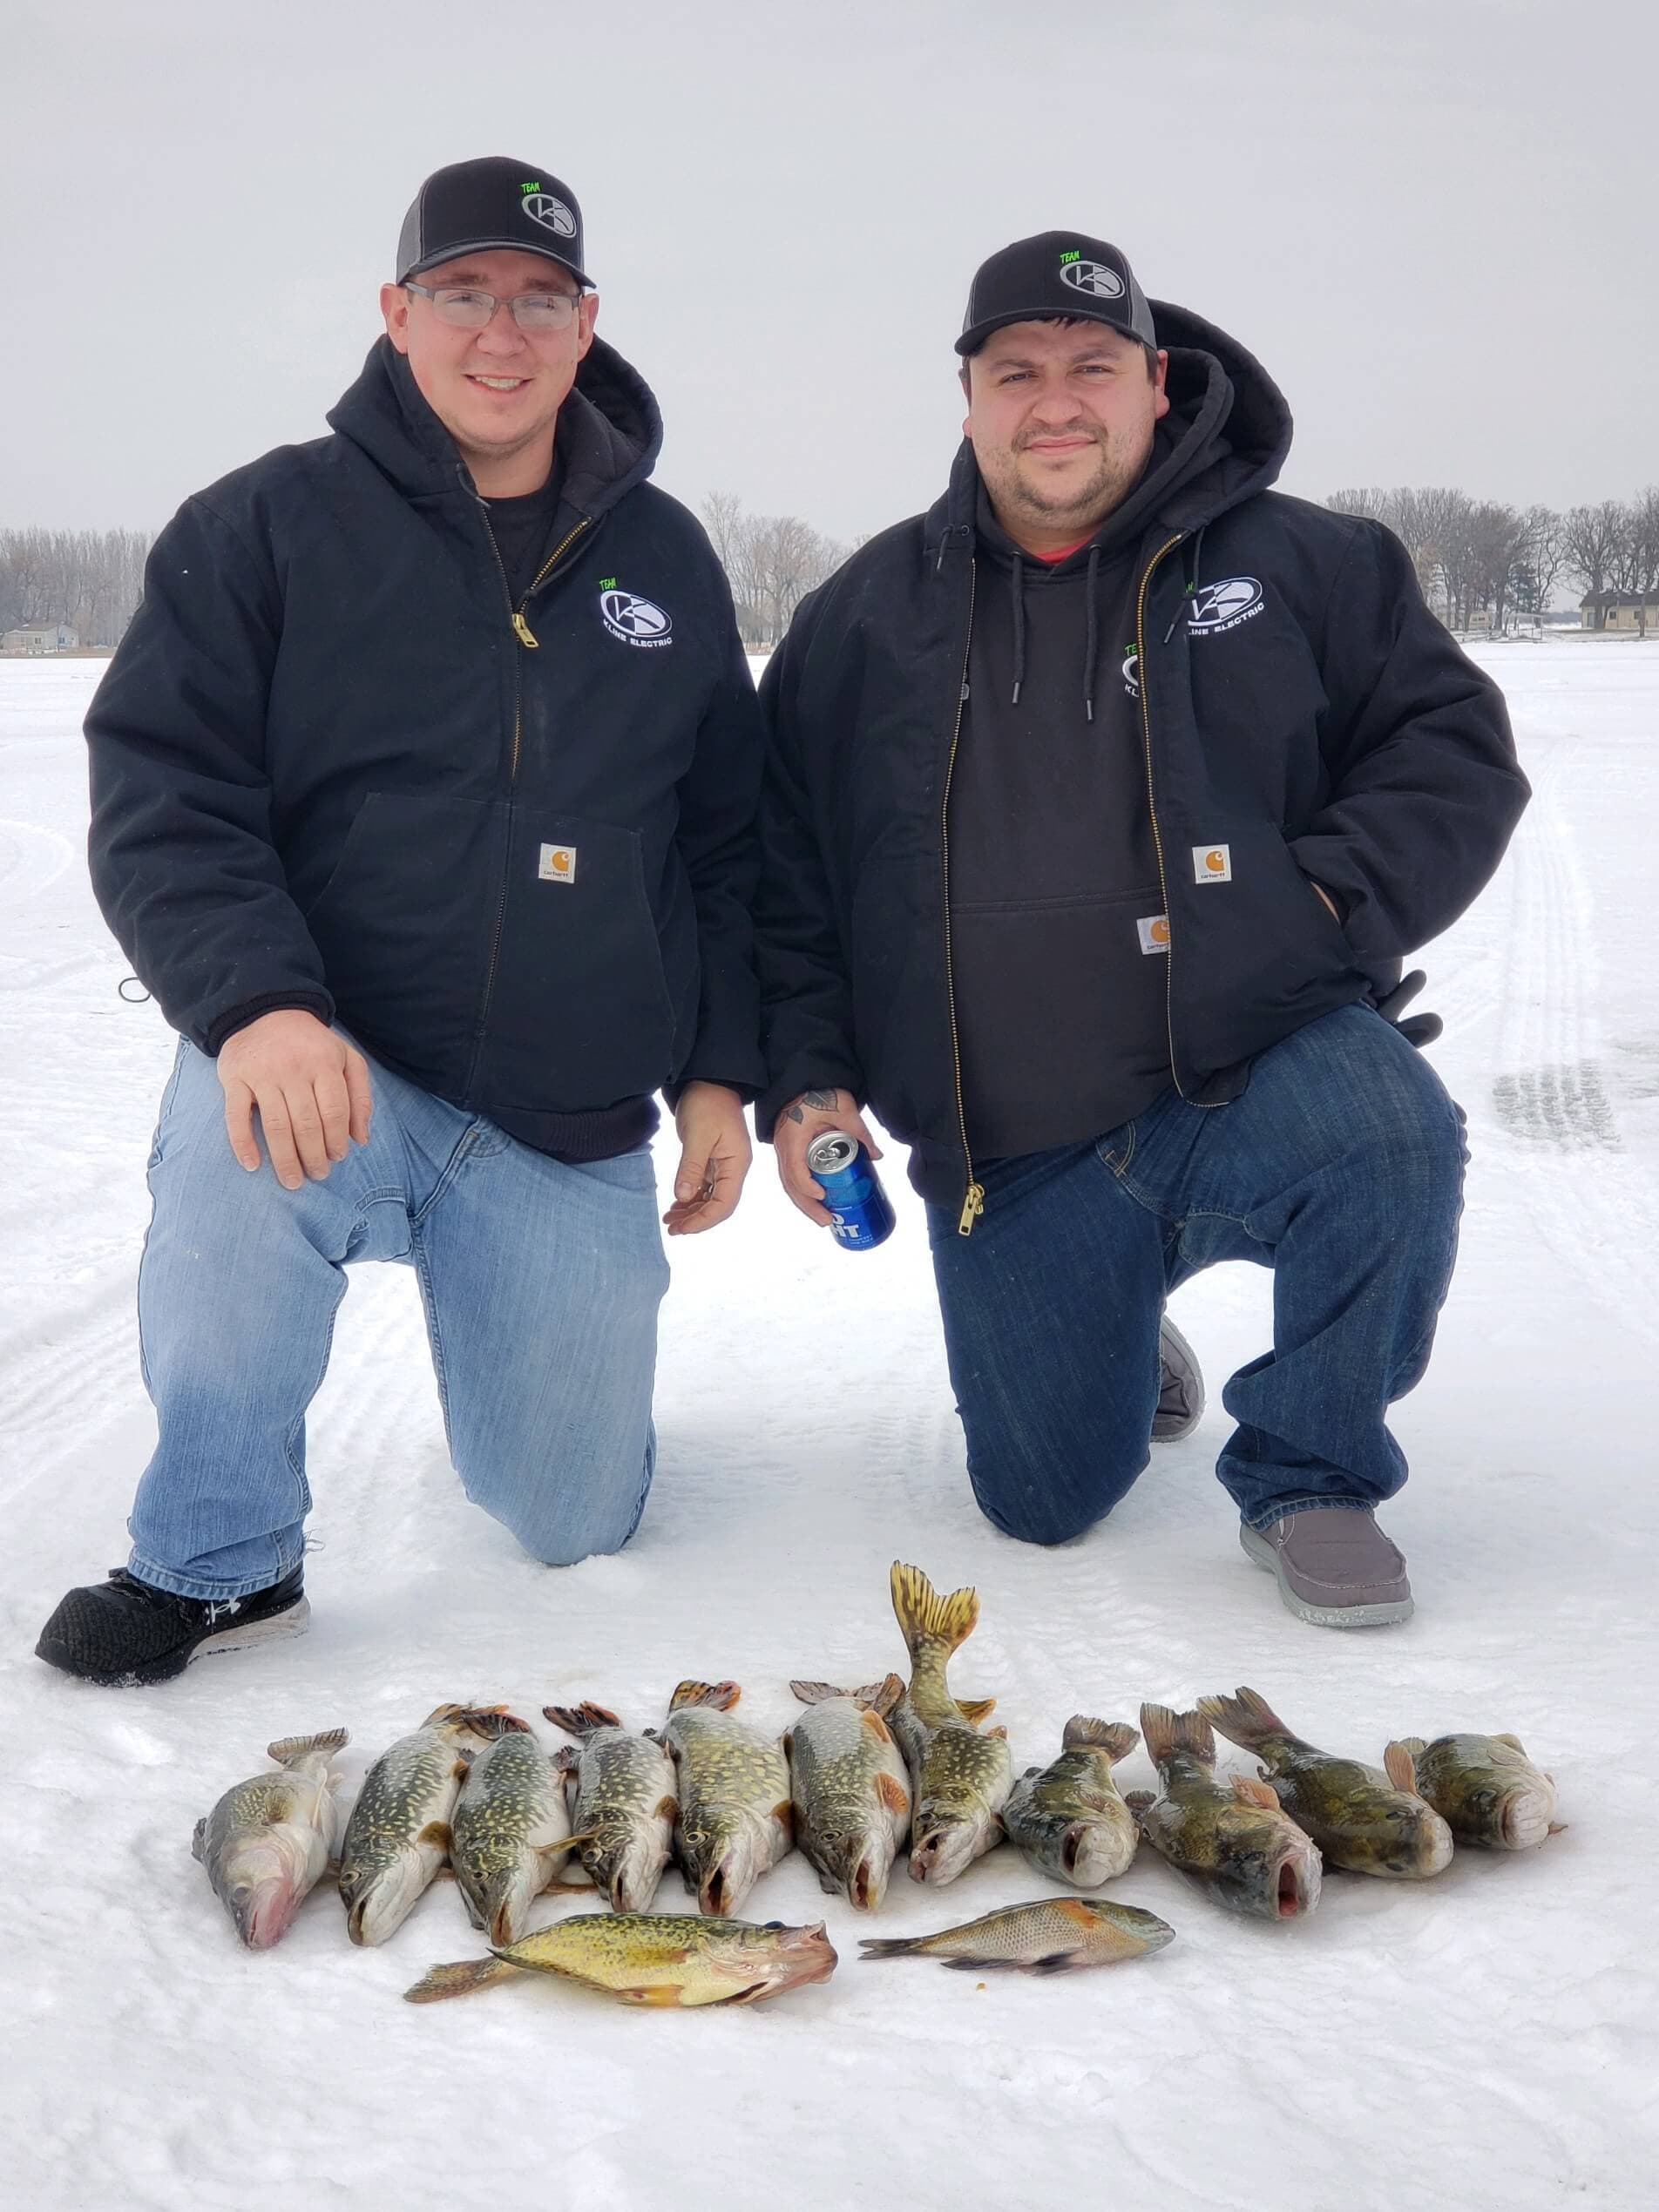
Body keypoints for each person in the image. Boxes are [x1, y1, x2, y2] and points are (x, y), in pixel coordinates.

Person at [37, 157, 764, 1686]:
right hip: (341, 1067)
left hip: (564, 1117)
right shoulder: (264, 527)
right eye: (463, 294)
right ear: (397, 312)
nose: (501, 333)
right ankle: (221, 1561)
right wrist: (257, 1006)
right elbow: (168, 787)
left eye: (539, 299)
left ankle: (561, 1388)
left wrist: (719, 1071)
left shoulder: (667, 558)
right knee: (238, 1143)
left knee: (574, 1521)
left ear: (584, 325)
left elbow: (728, 842)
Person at [756, 231, 1528, 1627]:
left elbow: (1451, 750)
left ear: (1157, 383)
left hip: (1248, 1062)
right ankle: (1121, 1314)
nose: (1057, 400)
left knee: (1392, 1134)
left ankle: (1313, 1474)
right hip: (1017, 1149)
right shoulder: (867, 614)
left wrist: (1326, 904)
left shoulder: (1311, 563)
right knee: (1041, 1503)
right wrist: (809, 1071)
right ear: (972, 396)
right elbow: (786, 870)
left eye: (1093, 367)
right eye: (1019, 371)